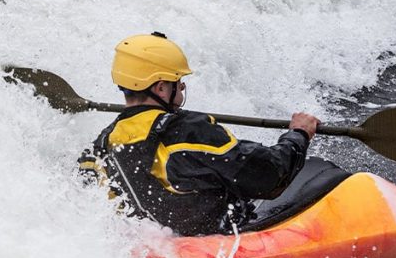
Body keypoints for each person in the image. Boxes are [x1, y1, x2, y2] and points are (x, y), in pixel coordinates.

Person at [79, 32, 320, 236]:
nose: (181, 87)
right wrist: (298, 135)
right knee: (321, 172)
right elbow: (268, 175)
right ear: (161, 87)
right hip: (220, 239)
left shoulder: (101, 144)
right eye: (179, 81)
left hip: (158, 249)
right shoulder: (187, 130)